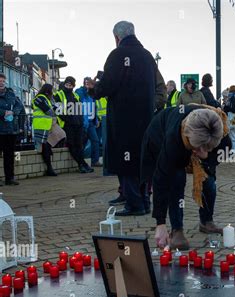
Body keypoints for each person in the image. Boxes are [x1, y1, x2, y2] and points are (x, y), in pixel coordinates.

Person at [90, 20, 167, 215]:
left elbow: (107, 86)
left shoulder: (117, 55)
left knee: (125, 161)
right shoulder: (148, 57)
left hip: (124, 119)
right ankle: (145, 201)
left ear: (117, 37)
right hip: (146, 118)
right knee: (141, 159)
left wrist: (94, 89)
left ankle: (134, 204)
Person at [141, 106, 228, 249]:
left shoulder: (219, 129)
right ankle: (177, 230)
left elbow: (222, 153)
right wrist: (160, 223)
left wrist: (207, 157)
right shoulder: (172, 141)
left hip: (195, 139)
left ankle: (206, 221)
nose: (201, 151)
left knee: (209, 179)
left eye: (207, 147)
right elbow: (161, 180)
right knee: (177, 179)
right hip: (160, 135)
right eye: (198, 148)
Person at [54, 76, 94, 174]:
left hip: (78, 123)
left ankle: (83, 164)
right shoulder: (59, 94)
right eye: (67, 84)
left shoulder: (75, 95)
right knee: (72, 145)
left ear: (73, 85)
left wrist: (81, 121)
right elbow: (57, 109)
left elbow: (79, 109)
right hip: (67, 124)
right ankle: (82, 164)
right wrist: (66, 119)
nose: (68, 86)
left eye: (70, 85)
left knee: (79, 144)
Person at [32, 84, 64, 176]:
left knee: (61, 136)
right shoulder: (39, 98)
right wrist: (55, 109)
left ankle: (49, 167)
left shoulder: (47, 99)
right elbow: (49, 111)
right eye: (51, 91)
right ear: (48, 91)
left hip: (47, 125)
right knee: (44, 146)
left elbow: (54, 109)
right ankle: (49, 168)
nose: (53, 93)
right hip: (41, 125)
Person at [0, 73, 23, 185]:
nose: (1, 83)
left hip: (11, 129)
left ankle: (10, 178)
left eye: (3, 81)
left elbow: (19, 105)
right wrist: (4, 112)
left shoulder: (11, 93)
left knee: (9, 155)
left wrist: (13, 112)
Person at [76, 77, 101, 167]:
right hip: (82, 122)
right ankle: (81, 162)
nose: (87, 84)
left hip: (90, 122)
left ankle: (95, 161)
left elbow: (94, 107)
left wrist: (96, 119)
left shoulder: (93, 94)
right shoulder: (80, 92)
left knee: (95, 141)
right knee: (82, 143)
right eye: (86, 82)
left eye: (89, 83)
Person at [224, 85, 235, 153]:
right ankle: (234, 150)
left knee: (233, 135)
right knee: (233, 134)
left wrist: (227, 108)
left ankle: (234, 150)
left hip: (233, 118)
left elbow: (234, 109)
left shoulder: (233, 98)